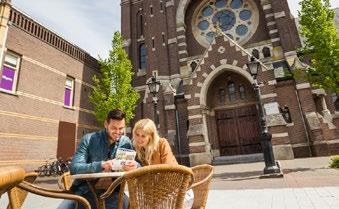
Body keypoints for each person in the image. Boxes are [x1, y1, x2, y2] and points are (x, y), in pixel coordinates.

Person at [57, 109, 136, 209]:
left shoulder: (126, 142)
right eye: (114, 128)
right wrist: (101, 165)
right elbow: (74, 168)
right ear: (106, 124)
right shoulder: (89, 139)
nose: (118, 132)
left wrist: (134, 166)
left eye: (121, 128)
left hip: (114, 194)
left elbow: (138, 166)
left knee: (129, 204)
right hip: (84, 193)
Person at [132, 118, 194, 209]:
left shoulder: (162, 143)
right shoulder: (138, 151)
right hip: (160, 196)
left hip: (180, 194)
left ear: (151, 136)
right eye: (137, 135)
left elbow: (169, 172)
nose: (139, 139)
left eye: (143, 136)